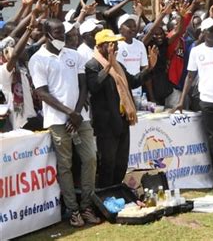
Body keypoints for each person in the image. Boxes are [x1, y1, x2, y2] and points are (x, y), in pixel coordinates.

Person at [28, 18, 99, 227]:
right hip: (57, 121)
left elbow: (83, 85)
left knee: (90, 159)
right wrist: (69, 113)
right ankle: (73, 209)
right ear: (47, 34)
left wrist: (76, 114)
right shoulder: (38, 59)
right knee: (65, 166)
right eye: (57, 33)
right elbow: (41, 92)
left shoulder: (74, 55)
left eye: (63, 33)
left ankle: (86, 206)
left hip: (80, 119)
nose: (62, 37)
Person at [171, 17, 213, 190]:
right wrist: (181, 101)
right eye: (210, 30)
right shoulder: (196, 51)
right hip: (207, 101)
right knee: (212, 140)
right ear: (204, 32)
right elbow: (190, 76)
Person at [85, 29, 157, 188]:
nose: (116, 46)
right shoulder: (92, 65)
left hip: (123, 120)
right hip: (106, 124)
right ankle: (106, 195)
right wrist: (108, 65)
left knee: (121, 164)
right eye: (112, 44)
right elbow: (94, 86)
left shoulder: (118, 65)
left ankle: (117, 192)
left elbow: (133, 81)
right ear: (102, 46)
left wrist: (149, 69)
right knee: (108, 164)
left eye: (116, 43)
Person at [116, 14, 148, 97]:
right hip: (120, 91)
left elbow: (144, 68)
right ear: (120, 29)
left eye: (134, 26)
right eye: (129, 26)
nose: (133, 28)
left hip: (137, 91)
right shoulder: (115, 45)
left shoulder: (140, 45)